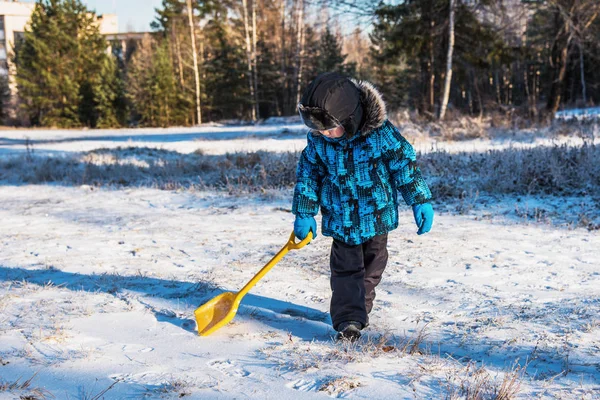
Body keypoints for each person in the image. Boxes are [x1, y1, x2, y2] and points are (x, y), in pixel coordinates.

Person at [292, 72, 434, 341]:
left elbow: (404, 164)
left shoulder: (380, 135)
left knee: (370, 270)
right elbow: (308, 175)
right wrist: (304, 211)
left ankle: (359, 310)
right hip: (340, 219)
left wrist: (419, 199)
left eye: (329, 127)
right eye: (318, 128)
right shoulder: (320, 142)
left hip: (377, 218)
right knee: (345, 272)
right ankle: (349, 321)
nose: (324, 133)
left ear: (349, 116)